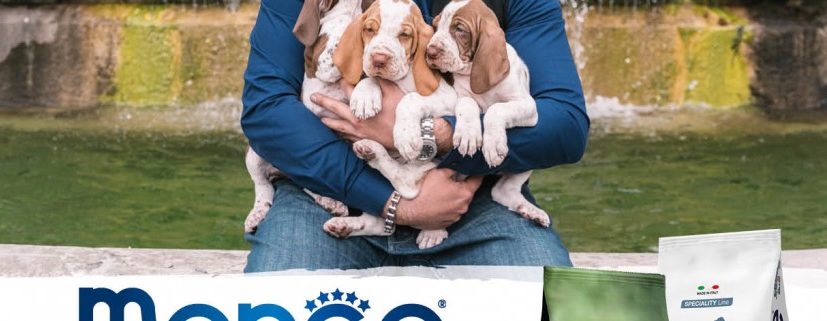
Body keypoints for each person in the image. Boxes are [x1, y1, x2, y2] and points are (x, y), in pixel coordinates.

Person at [241, 0, 588, 272]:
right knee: (277, 297)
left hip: (465, 198)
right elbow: (266, 110)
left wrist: (439, 136)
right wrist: (396, 204)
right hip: (327, 191)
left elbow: (566, 125)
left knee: (539, 301)